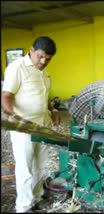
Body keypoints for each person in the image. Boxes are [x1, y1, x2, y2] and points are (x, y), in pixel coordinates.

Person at [1, 36, 60, 212]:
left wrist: (53, 111)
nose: (43, 61)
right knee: (25, 167)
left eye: (48, 59)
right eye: (40, 56)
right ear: (31, 50)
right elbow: (6, 96)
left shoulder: (43, 72)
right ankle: (24, 207)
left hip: (43, 124)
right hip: (23, 127)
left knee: (41, 164)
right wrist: (12, 116)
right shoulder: (16, 68)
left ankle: (37, 197)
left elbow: (43, 95)